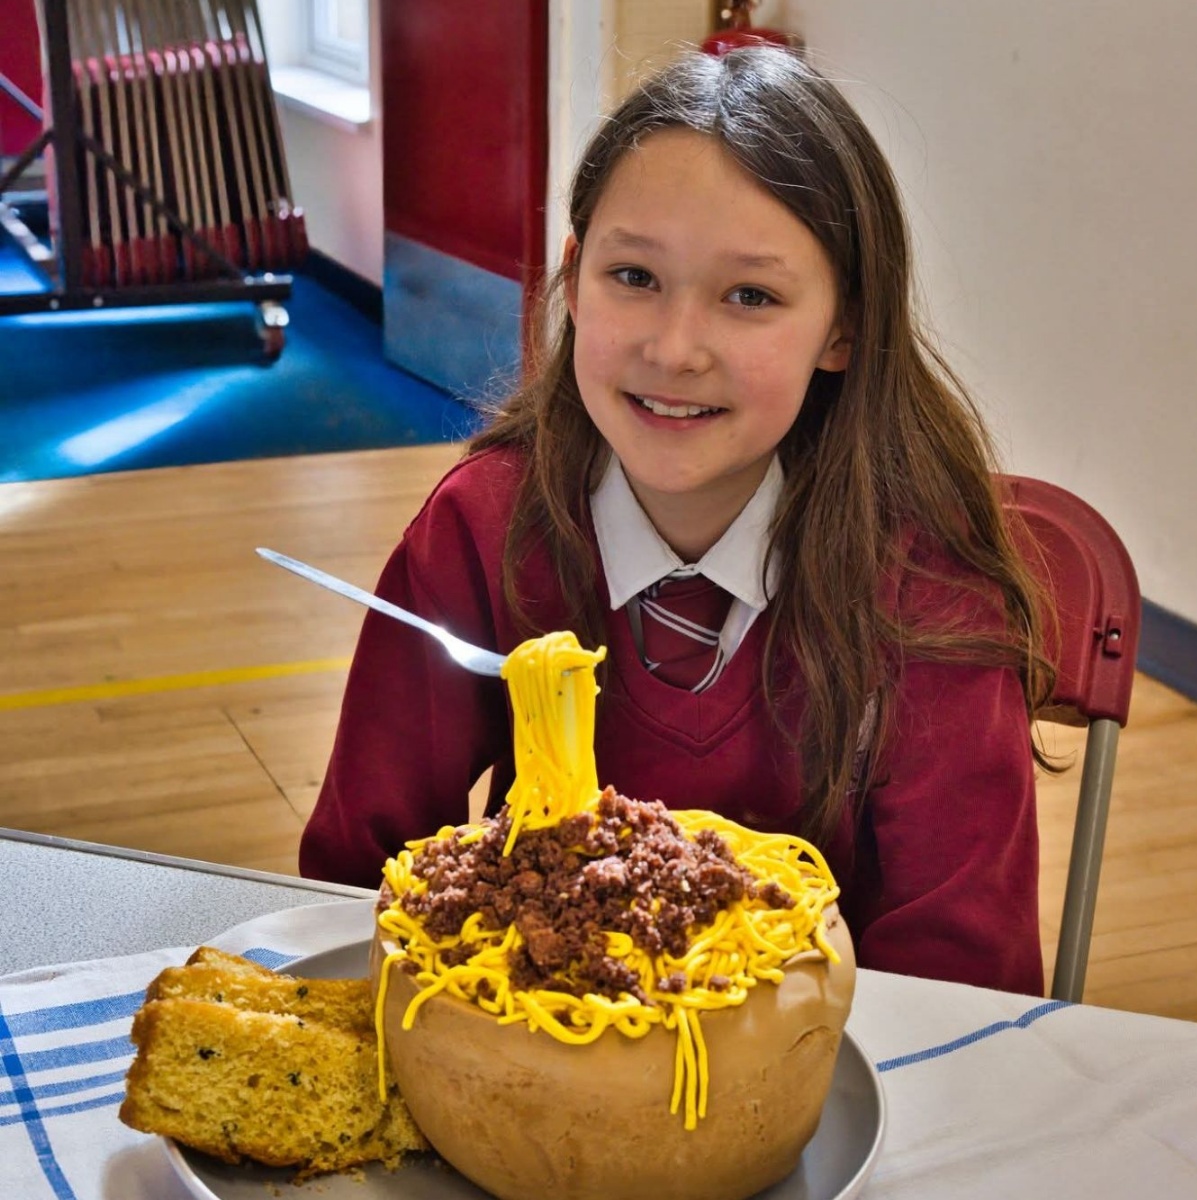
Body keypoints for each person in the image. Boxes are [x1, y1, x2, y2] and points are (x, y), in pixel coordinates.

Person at [300, 45, 1056, 996]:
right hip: (525, 1074)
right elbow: (354, 876)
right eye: (634, 277)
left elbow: (966, 984)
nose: (674, 348)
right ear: (573, 281)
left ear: (844, 328)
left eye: (751, 296)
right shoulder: (484, 530)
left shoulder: (926, 590)